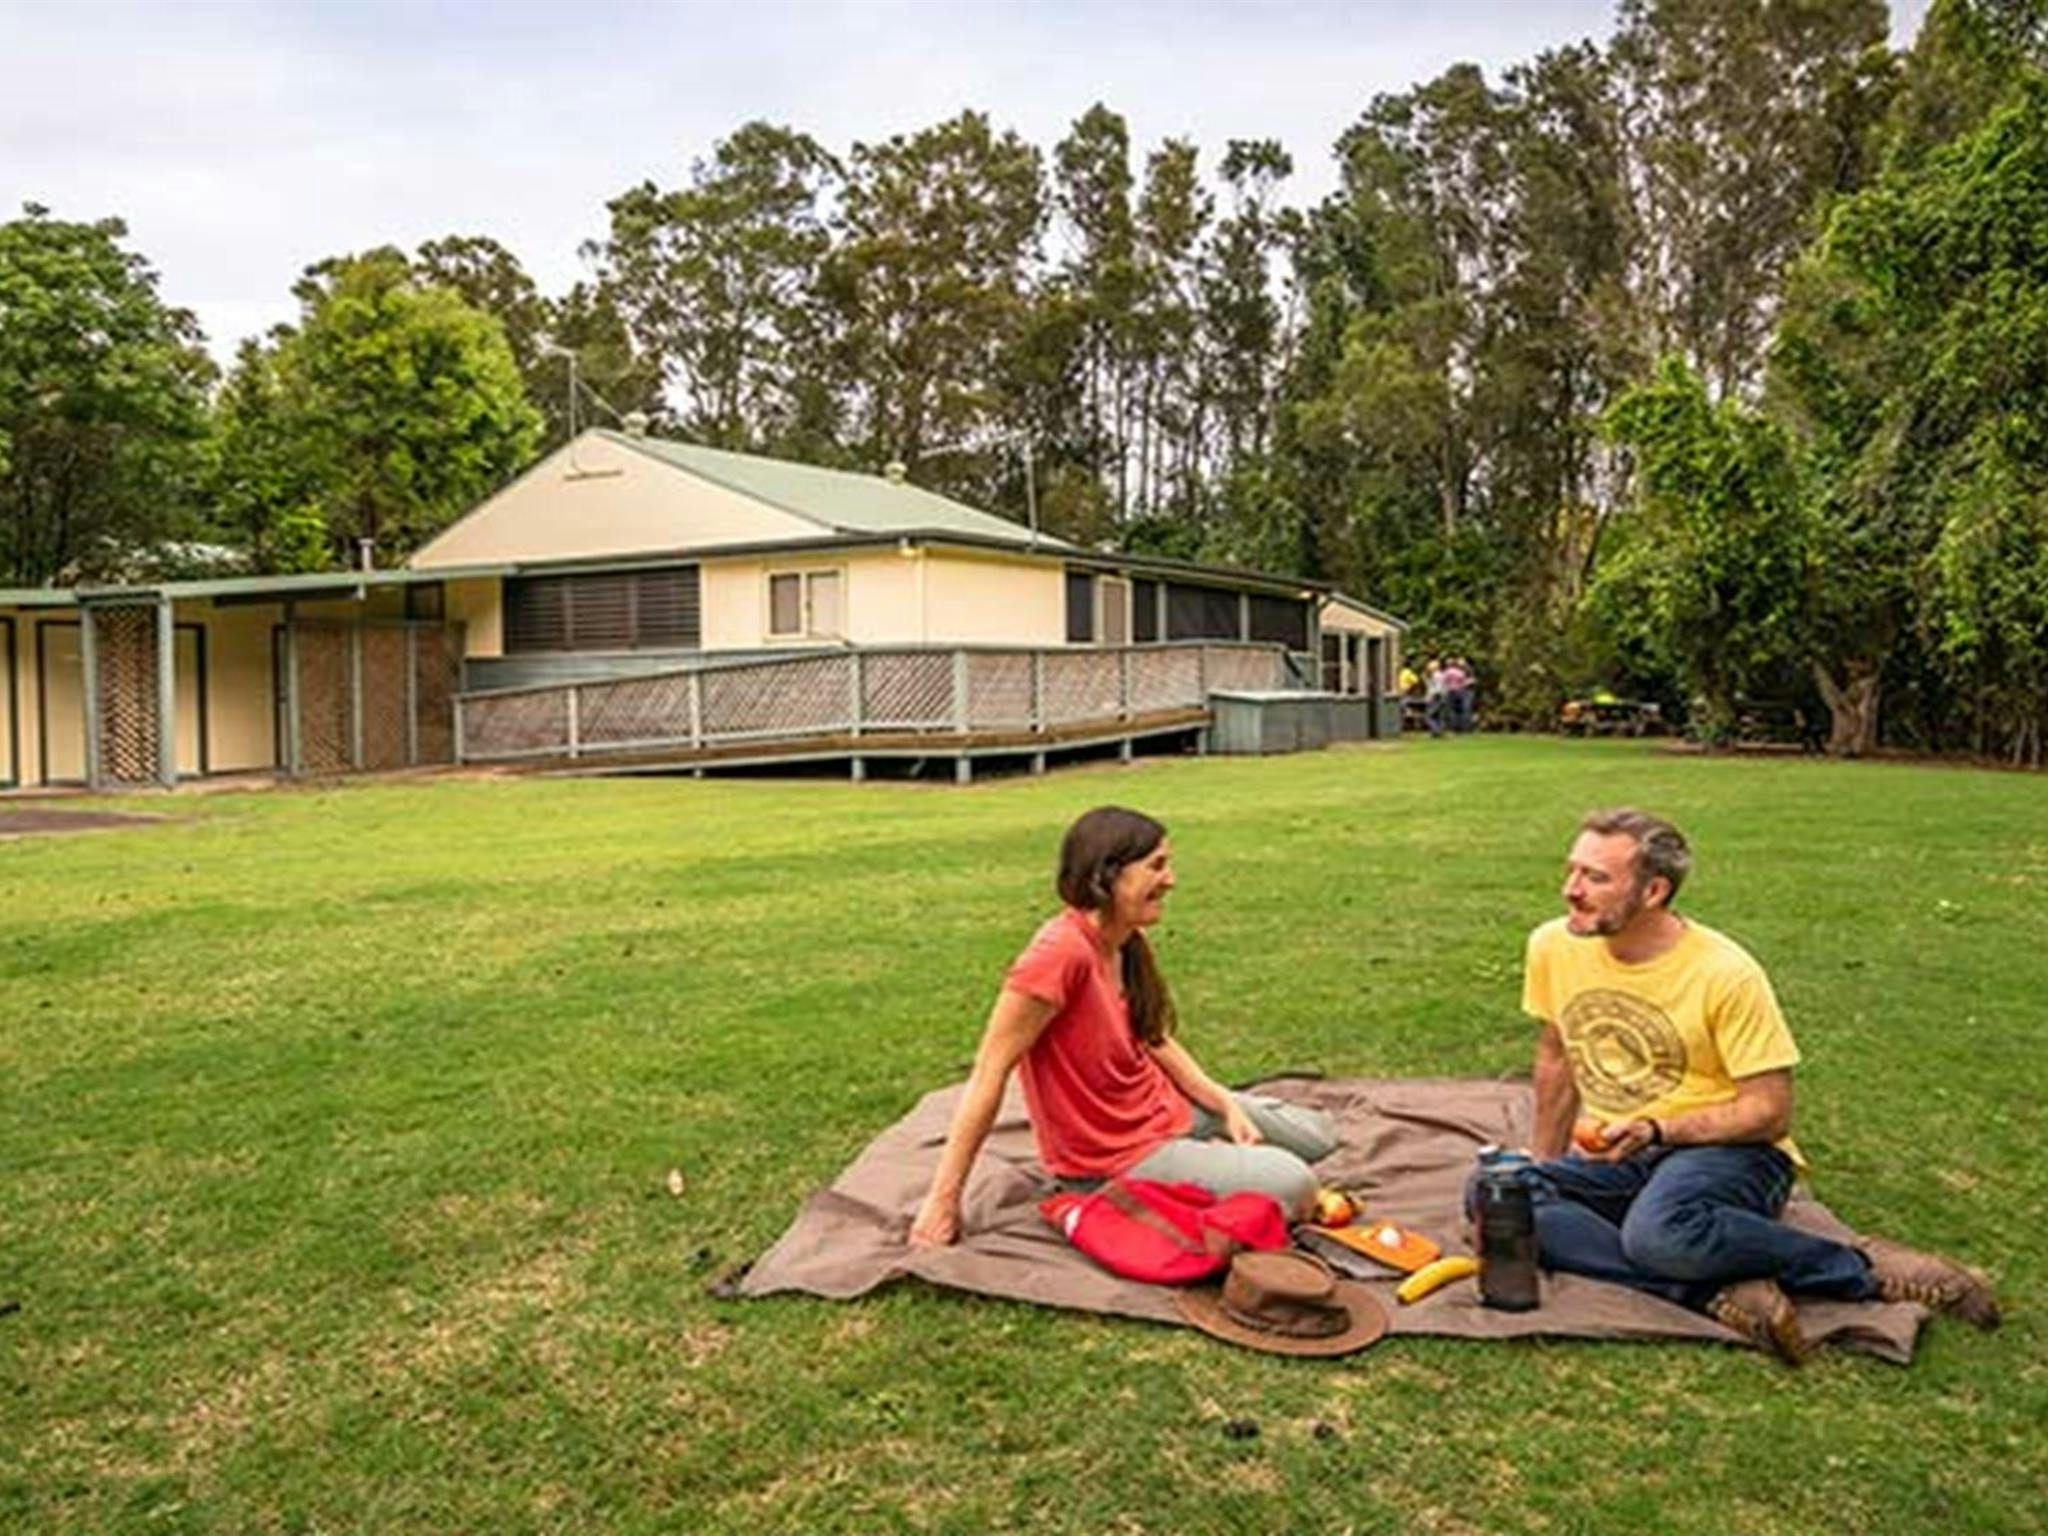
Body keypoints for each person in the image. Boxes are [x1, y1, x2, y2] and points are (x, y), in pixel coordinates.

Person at [1507, 807, 2000, 1363]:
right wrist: (1539, 1167)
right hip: (1618, 1153)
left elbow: (1769, 1112)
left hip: (1726, 1153)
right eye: (1572, 870)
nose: (1570, 890)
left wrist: (1656, 1127)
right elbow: (1555, 1056)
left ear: (1654, 891)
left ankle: (1857, 1267)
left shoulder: (1725, 972)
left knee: (1659, 1235)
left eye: (1596, 877)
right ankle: (1706, 1289)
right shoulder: (1553, 944)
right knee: (1497, 1198)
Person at [910, 806, 1336, 1246]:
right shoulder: (1058, 955)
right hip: (1113, 1159)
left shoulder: (1126, 938)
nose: (1171, 880)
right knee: (1295, 1184)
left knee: (1318, 1136)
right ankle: (1195, 1172)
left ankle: (1207, 1161)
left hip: (1164, 1111)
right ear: (1108, 874)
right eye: (1156, 866)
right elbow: (989, 1072)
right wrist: (942, 1202)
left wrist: (1223, 1104)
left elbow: (1153, 1036)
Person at [1423, 659, 1447, 739]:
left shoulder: (1436, 675)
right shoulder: (1440, 675)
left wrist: (1432, 696)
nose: (1428, 668)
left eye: (1429, 666)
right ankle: (1438, 731)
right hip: (1440, 696)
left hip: (1435, 697)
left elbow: (1437, 687)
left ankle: (1436, 731)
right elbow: (1431, 685)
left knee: (1429, 716)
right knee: (1437, 715)